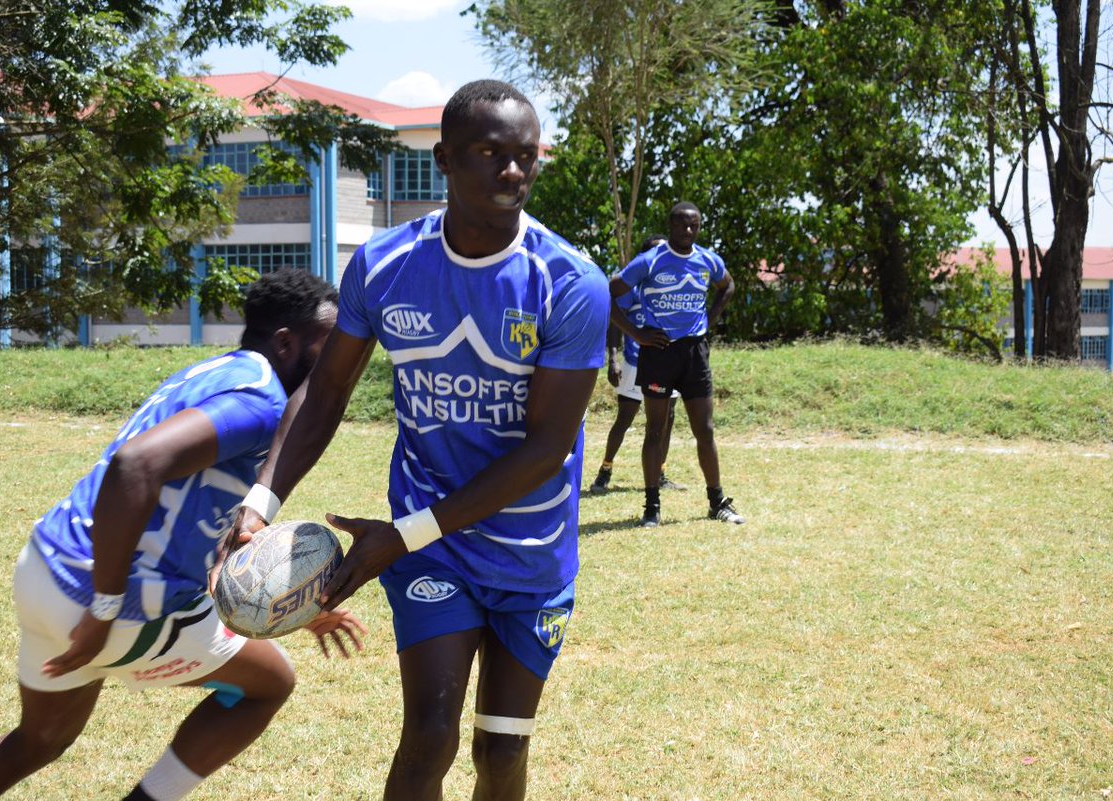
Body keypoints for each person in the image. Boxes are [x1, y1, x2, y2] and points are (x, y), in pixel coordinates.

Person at [218, 79, 610, 801]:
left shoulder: (570, 282)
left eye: (526, 156)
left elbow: (546, 447)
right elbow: (326, 389)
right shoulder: (386, 264)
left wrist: (401, 534)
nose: (514, 171)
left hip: (529, 548)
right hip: (432, 541)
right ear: (445, 159)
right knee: (429, 734)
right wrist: (262, 497)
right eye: (491, 153)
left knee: (499, 750)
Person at [0, 268, 367, 801]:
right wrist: (105, 607)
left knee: (41, 739)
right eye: (331, 345)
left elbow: (199, 522)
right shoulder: (262, 402)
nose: (342, 362)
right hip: (106, 600)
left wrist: (294, 604)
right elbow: (137, 466)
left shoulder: (215, 373)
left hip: (46, 568)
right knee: (269, 683)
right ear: (286, 342)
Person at [608, 201, 745, 528]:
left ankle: (717, 502)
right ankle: (651, 506)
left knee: (705, 429)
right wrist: (636, 334)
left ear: (699, 227)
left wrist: (709, 320)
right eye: (682, 225)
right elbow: (607, 294)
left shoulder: (707, 259)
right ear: (670, 226)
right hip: (659, 352)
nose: (688, 231)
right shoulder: (650, 260)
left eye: (694, 225)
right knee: (656, 429)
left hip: (694, 352)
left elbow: (728, 286)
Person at [589, 235, 684, 495]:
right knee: (625, 419)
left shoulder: (674, 285)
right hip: (635, 362)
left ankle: (660, 473)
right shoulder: (632, 286)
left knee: (667, 420)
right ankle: (605, 470)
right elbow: (614, 322)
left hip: (667, 364)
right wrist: (613, 359)